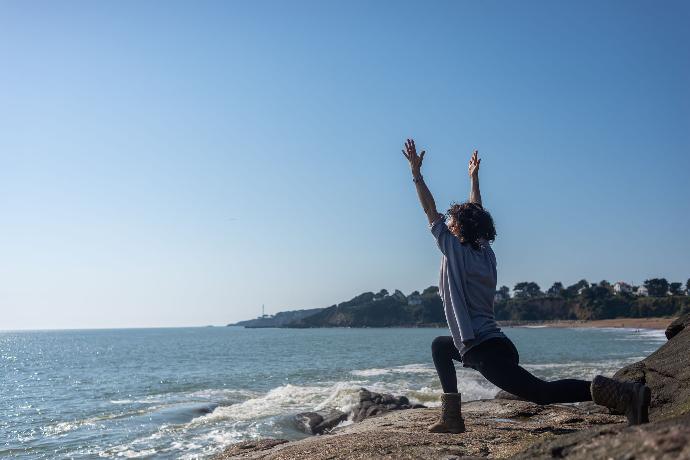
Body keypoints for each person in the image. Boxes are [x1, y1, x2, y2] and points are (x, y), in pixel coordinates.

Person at [401, 138, 651, 434]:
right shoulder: (486, 252)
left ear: (460, 229)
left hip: (483, 348)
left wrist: (416, 174)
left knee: (541, 393)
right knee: (440, 346)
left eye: (452, 221)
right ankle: (452, 417)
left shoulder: (455, 251)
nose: (448, 222)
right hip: (495, 343)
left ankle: (626, 395)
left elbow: (429, 209)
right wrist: (474, 179)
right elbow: (476, 211)